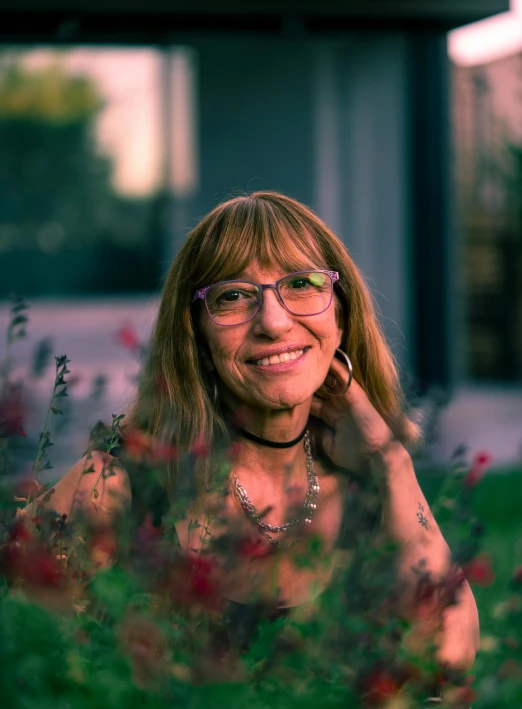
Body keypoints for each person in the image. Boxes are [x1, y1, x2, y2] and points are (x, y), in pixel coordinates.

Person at [41, 191, 479, 670]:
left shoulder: (376, 489)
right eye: (233, 296)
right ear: (197, 337)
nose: (273, 322)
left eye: (302, 285)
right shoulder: (118, 487)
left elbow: (447, 654)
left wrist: (391, 461)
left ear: (341, 312)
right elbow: (24, 673)